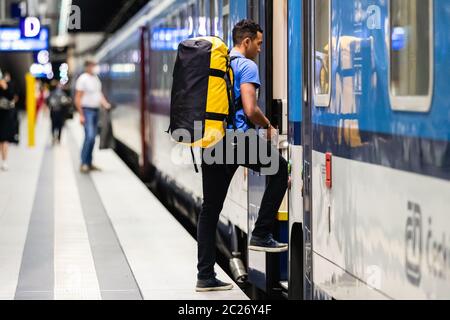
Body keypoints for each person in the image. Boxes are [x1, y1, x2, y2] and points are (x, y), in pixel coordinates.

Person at [196, 20, 289, 292]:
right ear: (246, 42)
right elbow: (249, 108)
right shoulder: (247, 66)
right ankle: (261, 233)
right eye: (258, 43)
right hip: (237, 141)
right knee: (280, 169)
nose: (260, 49)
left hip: (212, 140)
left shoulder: (221, 64)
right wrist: (268, 125)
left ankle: (205, 276)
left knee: (210, 209)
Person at [75, 60, 111, 173]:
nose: (95, 68)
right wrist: (81, 115)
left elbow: (98, 94)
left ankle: (89, 163)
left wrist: (105, 104)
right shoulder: (83, 79)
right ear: (87, 67)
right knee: (89, 137)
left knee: (93, 138)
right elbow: (78, 98)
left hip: (96, 111)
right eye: (93, 66)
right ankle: (84, 163)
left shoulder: (96, 79)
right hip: (87, 111)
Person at [0, 70, 15, 171]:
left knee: (4, 139)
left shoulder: (8, 85)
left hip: (5, 116)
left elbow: (12, 96)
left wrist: (5, 87)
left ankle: (4, 161)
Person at [48, 80, 71, 144]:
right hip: (56, 111)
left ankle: (57, 137)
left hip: (58, 111)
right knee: (56, 125)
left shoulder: (55, 93)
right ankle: (56, 137)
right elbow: (50, 101)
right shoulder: (53, 93)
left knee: (56, 125)